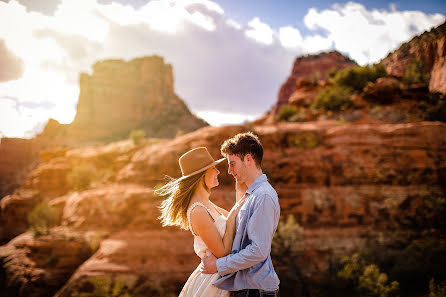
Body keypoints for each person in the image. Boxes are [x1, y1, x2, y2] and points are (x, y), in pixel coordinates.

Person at [156, 147, 247, 297]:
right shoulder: (197, 210)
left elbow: (237, 218)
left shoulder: (207, 204)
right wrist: (233, 215)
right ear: (201, 175)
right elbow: (222, 252)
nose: (218, 172)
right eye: (213, 168)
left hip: (222, 275)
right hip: (212, 283)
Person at [201, 132, 281, 297]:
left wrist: (219, 265)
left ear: (249, 159)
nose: (229, 171)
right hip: (247, 289)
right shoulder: (252, 195)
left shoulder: (263, 196)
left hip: (255, 291)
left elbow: (258, 250)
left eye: (232, 164)